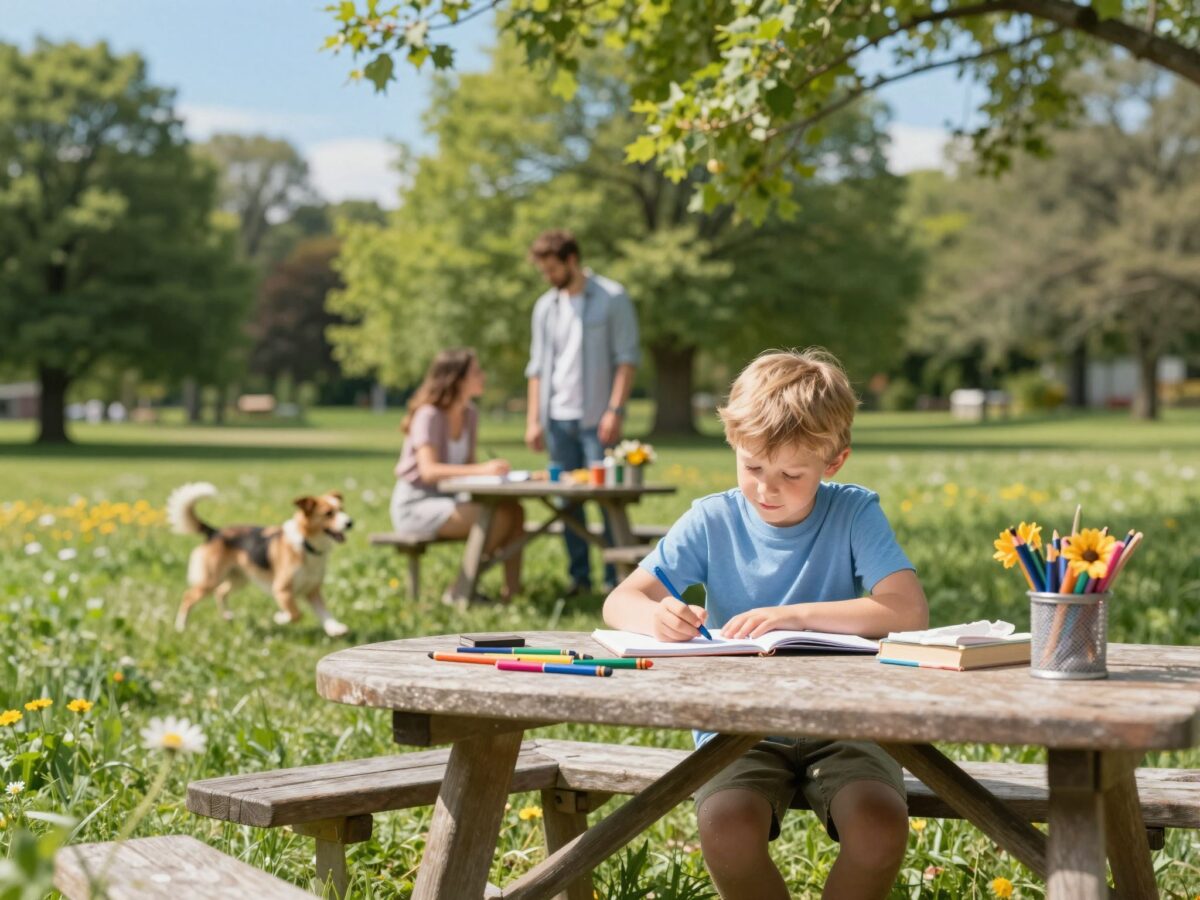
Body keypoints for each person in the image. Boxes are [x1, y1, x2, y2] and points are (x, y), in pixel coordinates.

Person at [603, 348, 928, 900]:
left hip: (845, 718)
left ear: (834, 462)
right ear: (733, 445)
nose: (765, 488)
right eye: (752, 466)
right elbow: (621, 600)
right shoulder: (713, 519)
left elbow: (907, 610)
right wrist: (659, 616)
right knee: (726, 829)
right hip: (738, 726)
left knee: (878, 829)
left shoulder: (852, 513)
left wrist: (795, 615)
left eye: (790, 474)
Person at [524, 229, 640, 593]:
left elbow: (627, 359)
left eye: (552, 269)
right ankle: (579, 578)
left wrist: (615, 410)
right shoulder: (546, 306)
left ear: (572, 260)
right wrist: (533, 420)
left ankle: (615, 581)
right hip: (556, 419)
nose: (549, 277)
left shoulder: (612, 298)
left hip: (596, 418)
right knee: (566, 502)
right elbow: (537, 367)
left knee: (607, 501)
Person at [391, 349, 525, 602]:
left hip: (451, 500)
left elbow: (468, 470)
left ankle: (511, 594)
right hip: (417, 504)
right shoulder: (428, 415)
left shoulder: (469, 414)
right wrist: (483, 470)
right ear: (457, 378)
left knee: (515, 511)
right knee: (497, 516)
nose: (483, 377)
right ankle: (460, 590)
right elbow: (429, 471)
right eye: (476, 372)